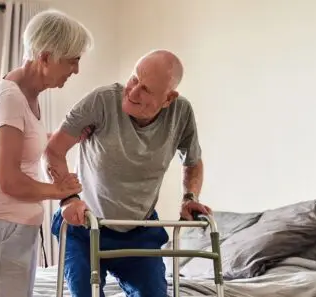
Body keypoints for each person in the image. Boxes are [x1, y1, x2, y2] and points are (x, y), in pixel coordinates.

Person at [45, 49, 213, 297]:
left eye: (146, 89)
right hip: (85, 226)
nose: (133, 92)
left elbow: (193, 161)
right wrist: (69, 199)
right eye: (134, 79)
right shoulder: (102, 101)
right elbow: (53, 151)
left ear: (168, 99)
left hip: (139, 229)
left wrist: (190, 198)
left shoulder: (181, 113)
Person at [0, 9, 93, 297]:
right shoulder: (11, 98)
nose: (76, 70)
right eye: (72, 61)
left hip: (14, 228)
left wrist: (63, 137)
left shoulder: (26, 95)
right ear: (46, 57)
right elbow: (8, 180)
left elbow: (22, 144)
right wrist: (58, 190)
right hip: (1, 228)